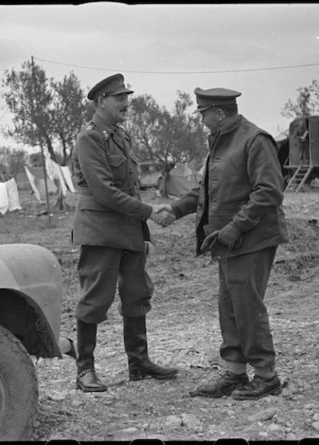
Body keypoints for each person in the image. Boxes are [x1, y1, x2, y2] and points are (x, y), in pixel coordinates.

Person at [155, 87, 288, 400]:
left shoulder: (255, 140)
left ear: (218, 111)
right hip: (228, 240)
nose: (201, 121)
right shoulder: (220, 142)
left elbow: (269, 191)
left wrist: (235, 227)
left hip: (252, 239)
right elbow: (206, 190)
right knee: (229, 306)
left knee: (246, 306)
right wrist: (174, 210)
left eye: (203, 113)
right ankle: (235, 371)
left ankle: (266, 375)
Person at [70, 73, 178, 392]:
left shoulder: (120, 136)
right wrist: (149, 214)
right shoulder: (90, 138)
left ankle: (139, 363)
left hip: (128, 229)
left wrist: (143, 230)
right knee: (95, 298)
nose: (126, 103)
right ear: (102, 101)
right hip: (100, 229)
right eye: (120, 98)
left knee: (137, 292)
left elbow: (131, 186)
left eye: (127, 97)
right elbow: (103, 191)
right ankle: (85, 370)